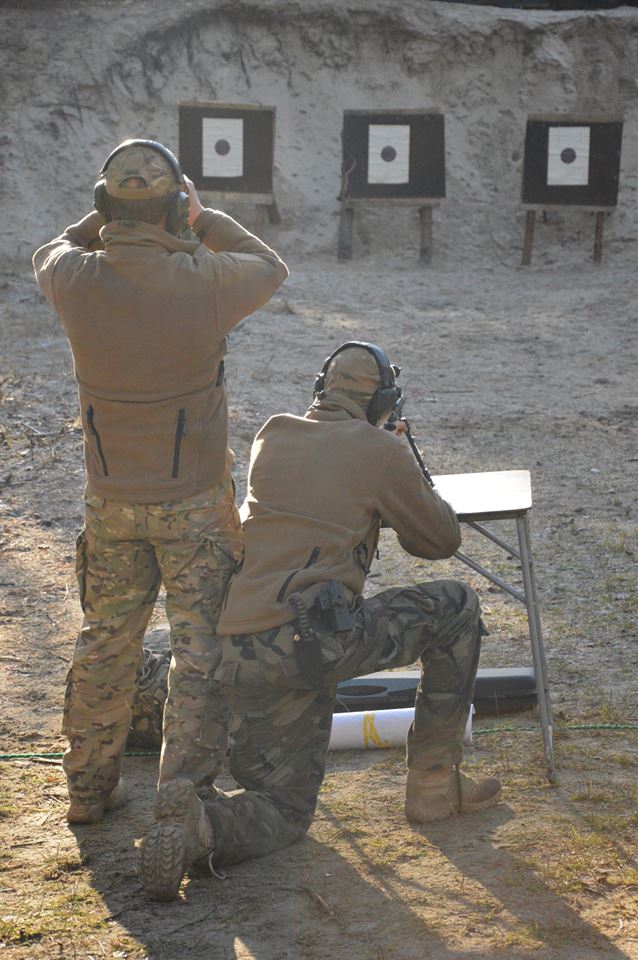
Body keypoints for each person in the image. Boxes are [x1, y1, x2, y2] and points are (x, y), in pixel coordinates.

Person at [136, 340, 502, 901]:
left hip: (240, 642)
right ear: (382, 400)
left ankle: (198, 825)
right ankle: (433, 783)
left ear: (320, 390)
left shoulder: (273, 433)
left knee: (278, 800)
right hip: (310, 644)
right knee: (456, 605)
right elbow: (439, 539)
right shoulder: (379, 449)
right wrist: (400, 460)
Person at [32, 138, 288, 825]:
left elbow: (49, 250)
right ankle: (182, 796)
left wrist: (99, 222)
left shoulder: (74, 279)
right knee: (199, 648)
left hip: (110, 501)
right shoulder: (206, 280)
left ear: (104, 203)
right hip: (196, 503)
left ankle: (87, 789)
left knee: (105, 640)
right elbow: (270, 265)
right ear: (175, 204)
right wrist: (199, 218)